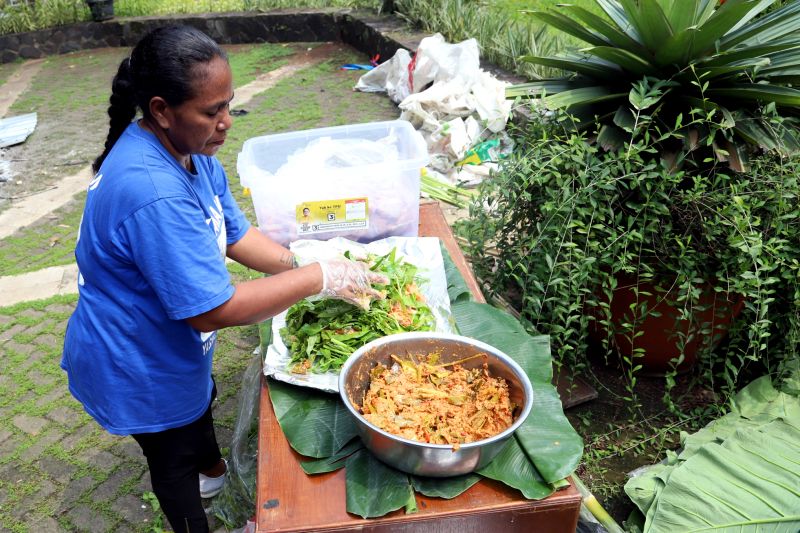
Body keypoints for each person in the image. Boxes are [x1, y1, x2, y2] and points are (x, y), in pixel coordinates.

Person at [61, 25, 387, 533]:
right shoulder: (152, 192)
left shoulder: (189, 151)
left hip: (173, 350)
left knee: (201, 402)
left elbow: (234, 232)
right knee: (171, 462)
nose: (226, 123)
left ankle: (214, 473)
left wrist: (303, 260)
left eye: (228, 105)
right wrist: (317, 278)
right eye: (211, 111)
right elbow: (213, 309)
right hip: (136, 362)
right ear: (162, 109)